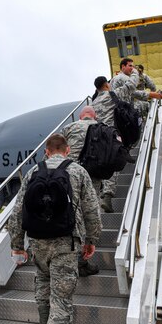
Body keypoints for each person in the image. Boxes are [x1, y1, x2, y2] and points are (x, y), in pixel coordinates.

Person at [8, 134, 102, 324]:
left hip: (38, 242)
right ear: (68, 150)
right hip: (66, 243)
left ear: (47, 152)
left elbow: (18, 211)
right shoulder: (78, 171)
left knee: (42, 278)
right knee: (62, 302)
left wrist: (17, 244)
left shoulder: (31, 173)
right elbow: (92, 209)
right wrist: (92, 240)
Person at [92, 75, 162, 213]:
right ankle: (107, 195)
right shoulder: (111, 94)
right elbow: (130, 86)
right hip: (112, 135)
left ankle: (101, 192)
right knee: (113, 164)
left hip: (99, 136)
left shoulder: (93, 102)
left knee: (103, 163)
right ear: (106, 85)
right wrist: (135, 72)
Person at [62, 106, 101, 277]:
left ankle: (67, 256)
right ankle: (81, 260)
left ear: (80, 116)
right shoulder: (102, 127)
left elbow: (55, 151)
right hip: (93, 175)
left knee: (71, 213)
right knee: (89, 214)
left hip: (69, 175)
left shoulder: (69, 128)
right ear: (95, 116)